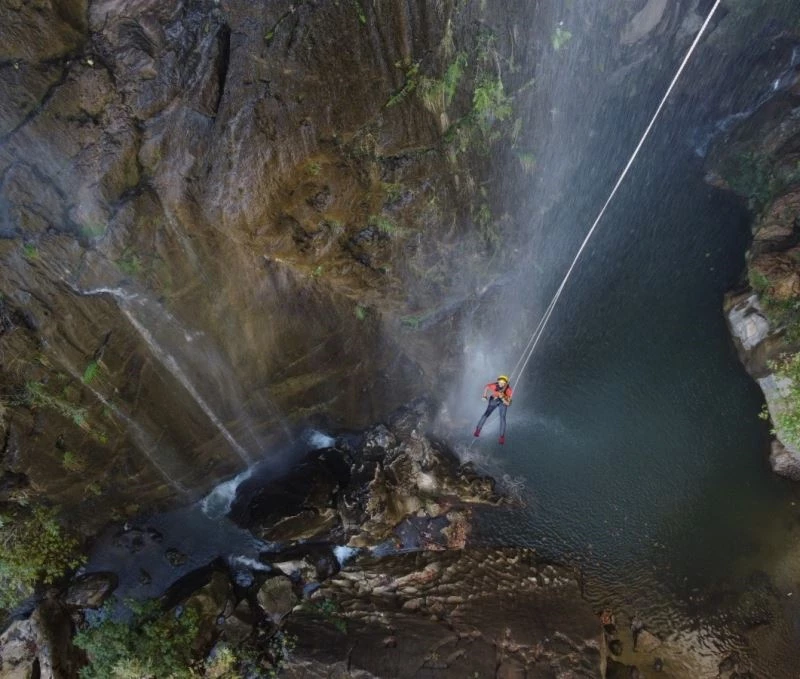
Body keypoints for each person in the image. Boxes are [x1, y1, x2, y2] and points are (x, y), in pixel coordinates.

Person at [474, 375, 513, 444]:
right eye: (500, 382)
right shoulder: (494, 385)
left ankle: (501, 436)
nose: (501, 384)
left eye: (503, 383)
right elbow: (486, 387)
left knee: (502, 418)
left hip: (503, 402)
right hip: (493, 400)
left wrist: (503, 398)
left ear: (505, 383)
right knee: (486, 414)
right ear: (497, 382)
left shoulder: (509, 390)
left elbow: (508, 404)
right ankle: (478, 430)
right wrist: (484, 395)